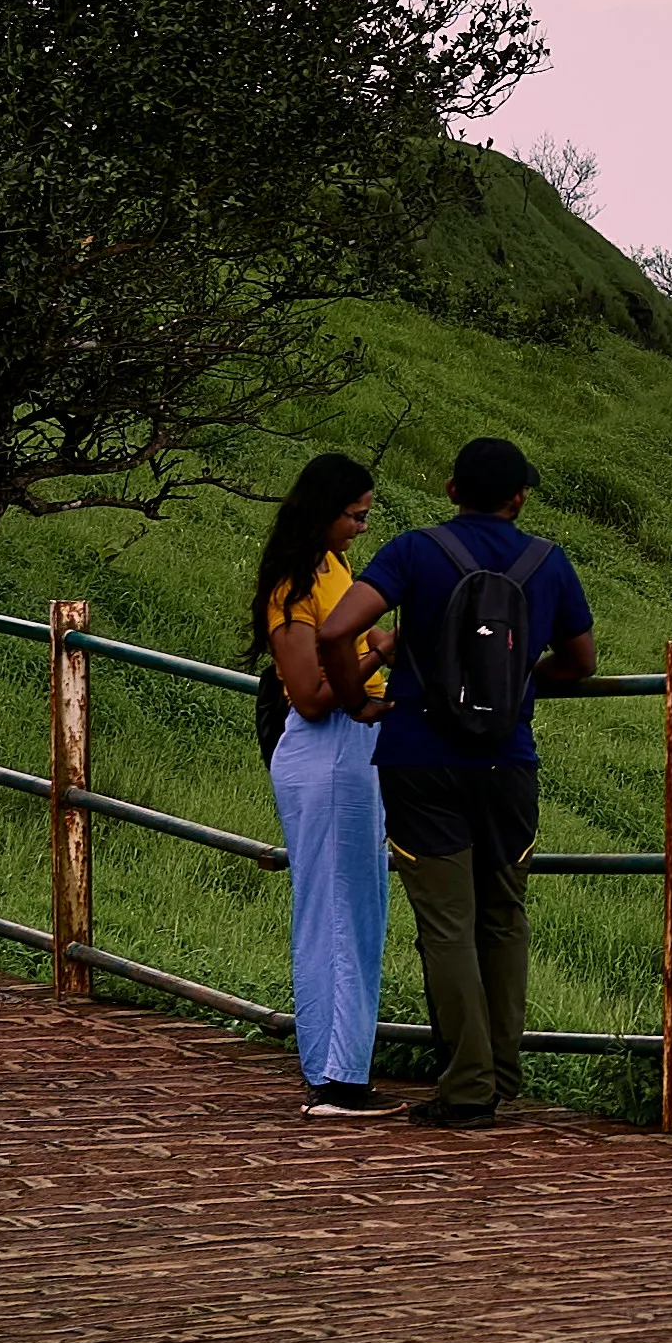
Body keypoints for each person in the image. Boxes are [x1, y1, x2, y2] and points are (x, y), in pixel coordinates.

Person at [309, 435, 597, 1128]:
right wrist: (518, 683)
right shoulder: (547, 562)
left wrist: (357, 700)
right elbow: (581, 662)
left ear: (450, 489)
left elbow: (338, 628)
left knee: (446, 925)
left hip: (420, 759)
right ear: (519, 497)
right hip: (509, 763)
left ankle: (467, 1088)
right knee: (504, 915)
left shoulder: (414, 550)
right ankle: (501, 1070)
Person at [249, 452, 396, 1116]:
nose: (362, 527)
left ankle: (338, 1067)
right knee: (339, 913)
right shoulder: (297, 581)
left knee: (354, 911)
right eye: (356, 515)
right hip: (328, 747)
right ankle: (337, 1077)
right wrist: (380, 651)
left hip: (352, 746)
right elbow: (309, 692)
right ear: (327, 510)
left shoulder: (333, 569)